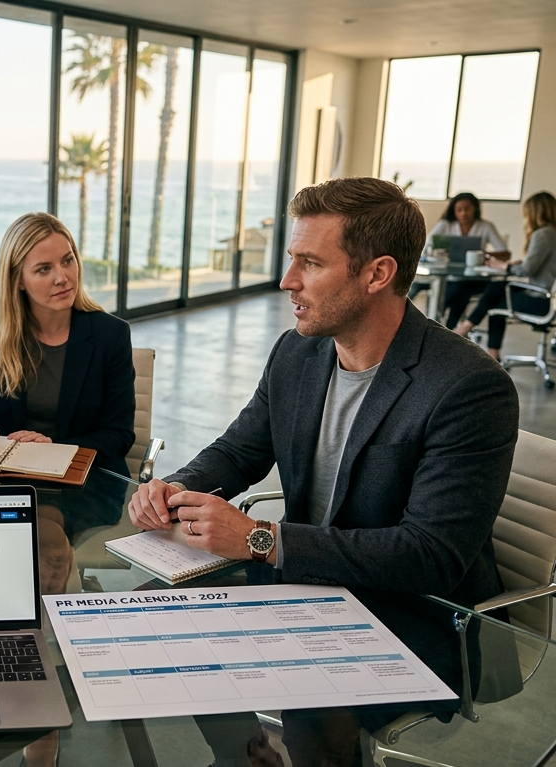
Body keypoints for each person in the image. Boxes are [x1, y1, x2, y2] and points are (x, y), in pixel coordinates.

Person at [127, 177, 518, 764]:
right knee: (149, 616)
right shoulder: (298, 352)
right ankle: (245, 756)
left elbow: (429, 554)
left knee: (312, 704)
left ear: (377, 274)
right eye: (292, 261)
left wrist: (261, 538)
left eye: (309, 263)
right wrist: (173, 488)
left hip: (415, 613)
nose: (287, 282)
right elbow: (237, 452)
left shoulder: (468, 388)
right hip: (308, 583)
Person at [0, 212, 135, 470]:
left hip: (81, 479)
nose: (62, 277)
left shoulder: (111, 334)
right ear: (18, 280)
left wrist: (54, 448)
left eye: (68, 261)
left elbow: (119, 435)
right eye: (44, 269)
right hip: (8, 476)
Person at [453, 191, 556, 358]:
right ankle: (483, 344)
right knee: (499, 287)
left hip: (540, 300)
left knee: (496, 296)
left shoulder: (543, 234)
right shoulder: (552, 233)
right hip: (547, 298)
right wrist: (515, 264)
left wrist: (504, 266)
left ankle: (467, 330)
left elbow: (527, 271)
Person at [428, 192, 511, 328]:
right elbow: (427, 246)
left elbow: (505, 254)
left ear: (475, 209)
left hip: (474, 280)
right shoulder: (445, 225)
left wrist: (483, 254)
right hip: (448, 277)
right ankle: (447, 328)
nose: (463, 214)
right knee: (455, 290)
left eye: (467, 209)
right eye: (459, 210)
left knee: (460, 290)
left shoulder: (485, 226)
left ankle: (443, 326)